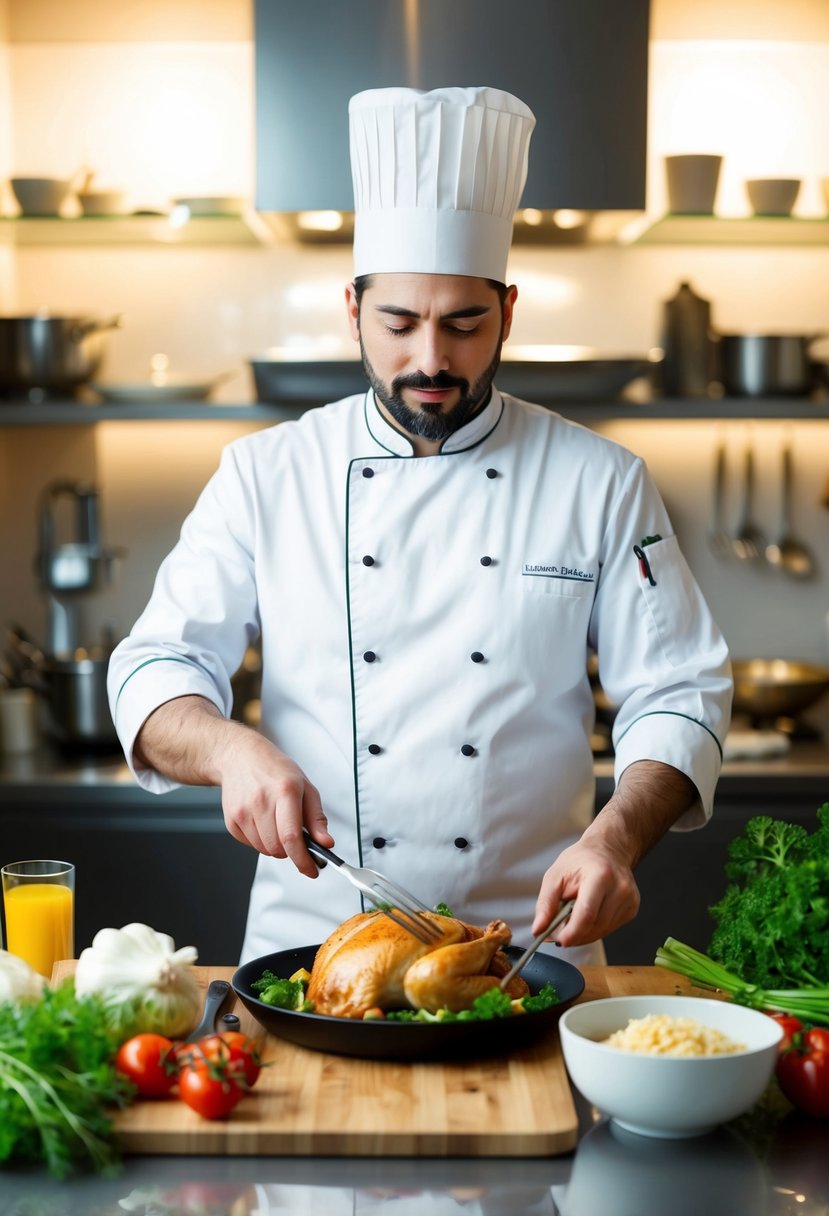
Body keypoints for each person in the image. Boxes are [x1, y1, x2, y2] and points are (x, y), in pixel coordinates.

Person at [108, 85, 732, 967]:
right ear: (352, 309)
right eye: (398, 324)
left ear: (508, 312)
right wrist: (228, 749)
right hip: (312, 948)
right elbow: (153, 666)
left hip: (525, 951)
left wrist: (615, 840)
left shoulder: (598, 480)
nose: (430, 359)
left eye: (464, 325)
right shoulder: (267, 473)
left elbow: (676, 690)